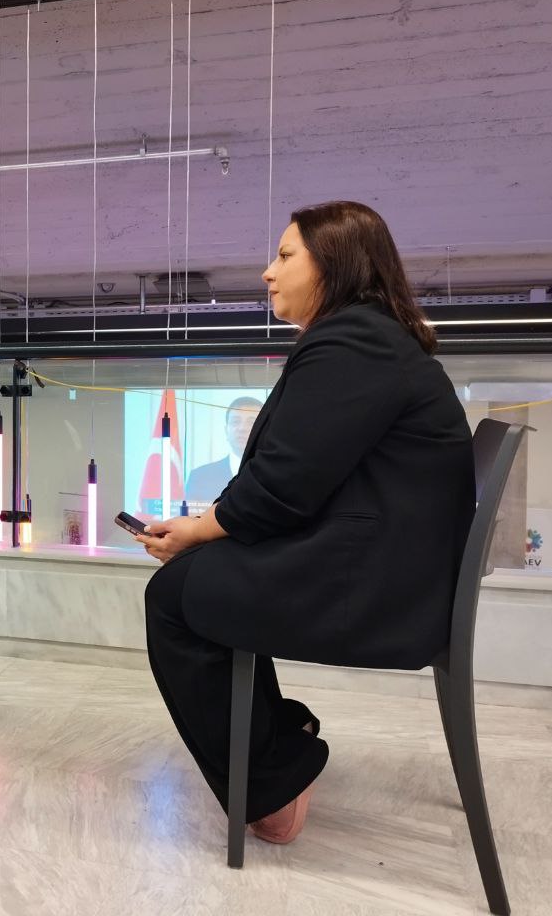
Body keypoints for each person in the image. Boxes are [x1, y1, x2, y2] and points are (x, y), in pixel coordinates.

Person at [139, 201, 474, 844]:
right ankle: (279, 737)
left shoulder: (352, 342)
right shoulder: (371, 338)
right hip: (392, 573)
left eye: (286, 255)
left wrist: (198, 531)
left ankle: (274, 779)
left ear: (335, 264)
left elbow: (285, 484)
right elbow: (291, 476)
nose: (268, 272)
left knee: (177, 597)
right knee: (206, 577)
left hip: (378, 590)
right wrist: (205, 528)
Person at [183, 396, 264, 504]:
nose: (242, 428)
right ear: (226, 431)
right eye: (235, 422)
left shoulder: (275, 475)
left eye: (251, 422)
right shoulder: (199, 476)